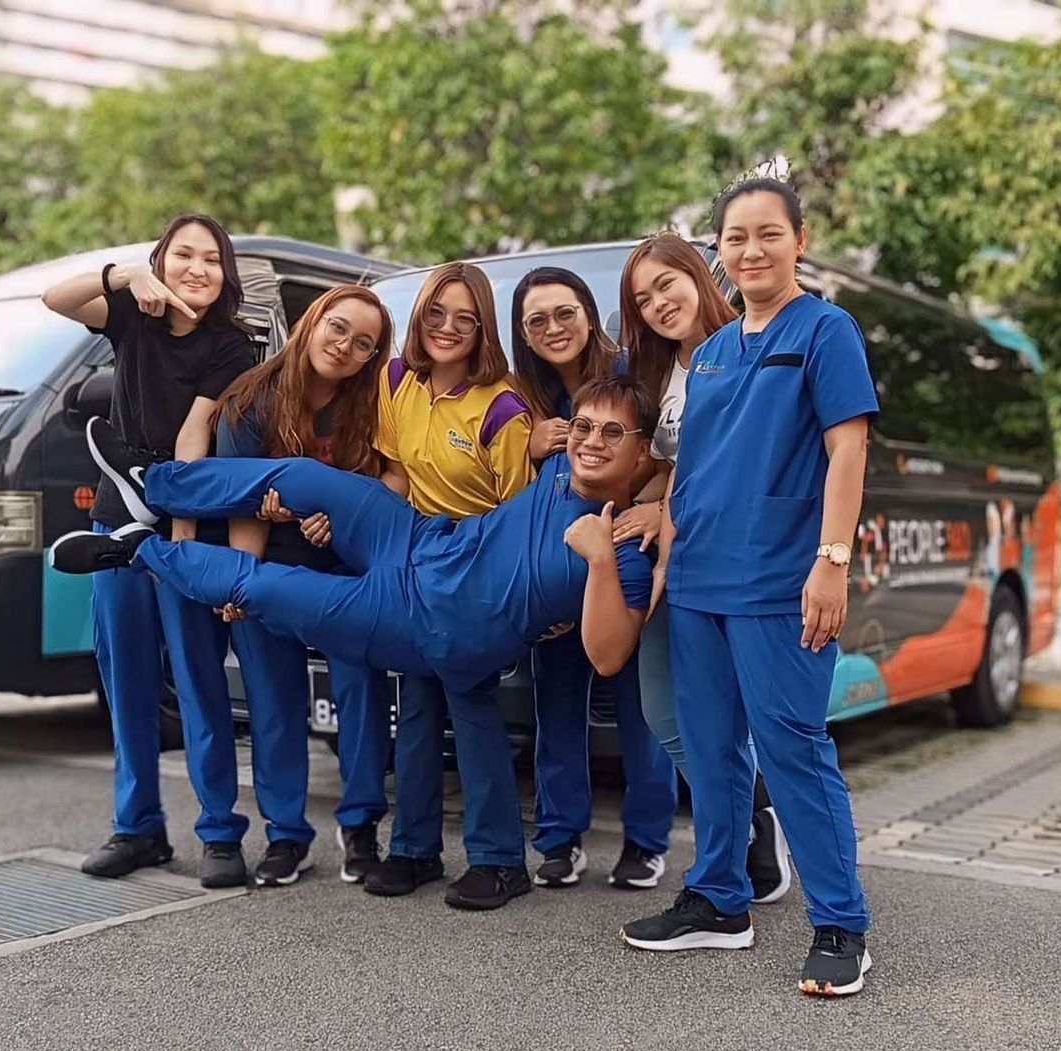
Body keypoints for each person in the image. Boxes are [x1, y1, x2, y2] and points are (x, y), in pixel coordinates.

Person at [48, 380, 658, 875]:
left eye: (612, 433)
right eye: (583, 426)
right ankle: (151, 485)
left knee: (268, 589)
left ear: (641, 451)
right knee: (302, 477)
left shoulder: (624, 553)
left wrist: (602, 555)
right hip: (422, 539)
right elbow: (663, 472)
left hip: (425, 620)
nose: (592, 441)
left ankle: (135, 552)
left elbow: (608, 655)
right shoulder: (556, 467)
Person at [619, 179, 879, 998]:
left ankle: (842, 925)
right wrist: (665, 538)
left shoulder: (827, 331)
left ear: (800, 239)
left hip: (778, 580)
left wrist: (831, 561)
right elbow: (693, 466)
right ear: (718, 251)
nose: (751, 251)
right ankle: (721, 899)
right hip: (698, 580)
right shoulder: (716, 352)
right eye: (736, 237)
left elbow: (848, 451)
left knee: (794, 748)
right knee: (712, 751)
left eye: (769, 234)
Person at [40, 213, 260, 888]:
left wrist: (184, 524)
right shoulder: (132, 318)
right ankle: (137, 829)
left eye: (211, 258)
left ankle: (220, 831)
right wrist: (124, 274)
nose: (197, 268)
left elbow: (197, 435)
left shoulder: (233, 346)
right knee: (127, 680)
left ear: (225, 274)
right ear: (162, 261)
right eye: (182, 255)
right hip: (115, 525)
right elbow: (55, 297)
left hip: (183, 518)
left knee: (196, 678)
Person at [617, 231, 792, 904]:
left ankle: (743, 841)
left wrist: (669, 511)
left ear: (698, 275)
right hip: (674, 561)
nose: (660, 303)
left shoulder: (749, 350)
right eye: (644, 298)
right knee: (664, 711)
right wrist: (655, 504)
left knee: (739, 715)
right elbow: (669, 459)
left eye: (667, 285)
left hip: (737, 563)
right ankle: (751, 814)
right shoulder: (662, 373)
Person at [363, 262, 538, 910]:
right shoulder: (396, 381)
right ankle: (413, 851)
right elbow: (397, 475)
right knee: (415, 709)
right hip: (415, 563)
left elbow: (515, 514)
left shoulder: (503, 405)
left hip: (479, 565)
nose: (448, 328)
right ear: (420, 314)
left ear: (482, 329)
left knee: (470, 705)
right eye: (437, 312)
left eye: (466, 318)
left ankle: (499, 861)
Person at [212, 285, 397, 888]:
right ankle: (287, 834)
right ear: (313, 322)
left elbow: (388, 483)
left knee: (361, 695)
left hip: (343, 568)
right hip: (270, 566)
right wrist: (243, 580)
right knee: (271, 701)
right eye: (338, 329)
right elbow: (240, 501)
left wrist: (340, 516)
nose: (346, 347)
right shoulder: (249, 402)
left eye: (364, 343)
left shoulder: (372, 405)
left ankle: (361, 825)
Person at [510, 268, 676, 891]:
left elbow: (673, 457)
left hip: (628, 549)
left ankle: (646, 841)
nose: (553, 329)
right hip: (557, 563)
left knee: (644, 704)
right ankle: (559, 839)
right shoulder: (525, 396)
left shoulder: (636, 374)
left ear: (588, 312)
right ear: (523, 334)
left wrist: (658, 507)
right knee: (555, 702)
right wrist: (526, 447)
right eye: (536, 321)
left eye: (564, 312)